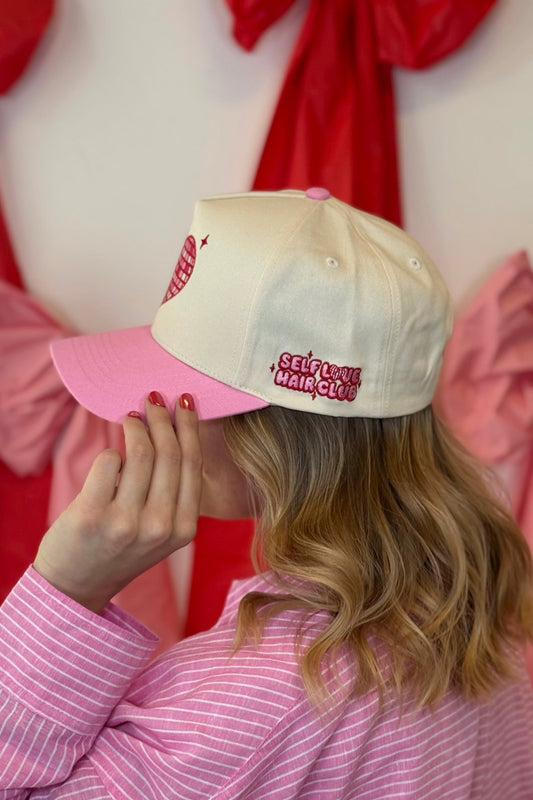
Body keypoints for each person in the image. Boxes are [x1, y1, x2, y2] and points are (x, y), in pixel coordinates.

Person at [1, 188, 532, 799]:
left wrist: (65, 588)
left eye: (177, 392)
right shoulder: (473, 604)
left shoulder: (258, 700)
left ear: (272, 435)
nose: (143, 417)